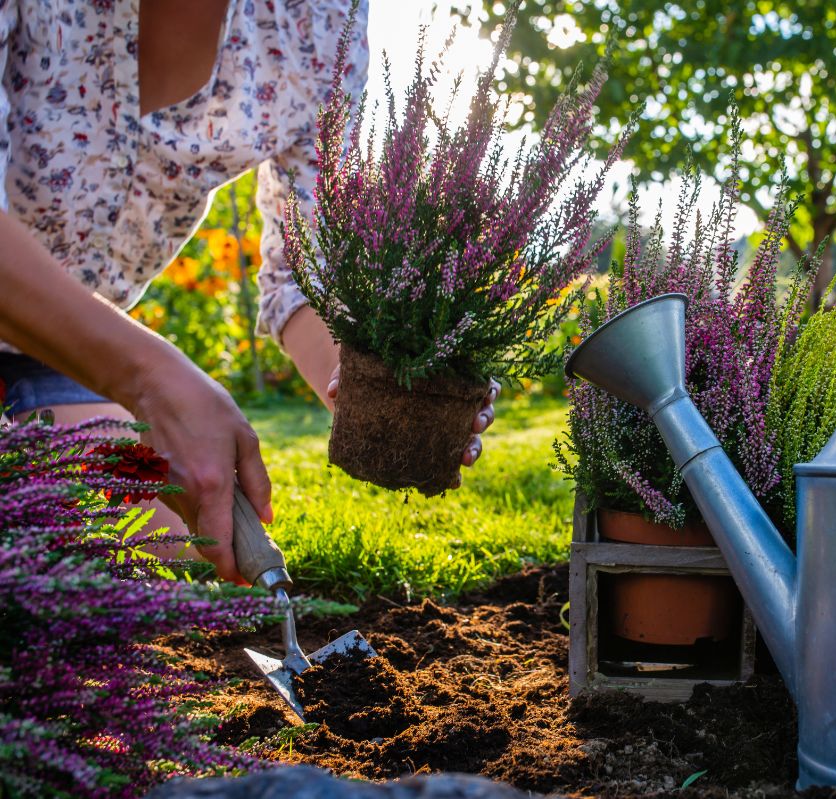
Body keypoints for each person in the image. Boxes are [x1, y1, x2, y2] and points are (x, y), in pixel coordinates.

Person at [0, 0, 497, 583]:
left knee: (177, 546)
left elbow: (302, 272)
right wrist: (148, 379)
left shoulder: (317, 20)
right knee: (38, 558)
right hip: (90, 354)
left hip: (51, 360)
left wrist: (383, 389)